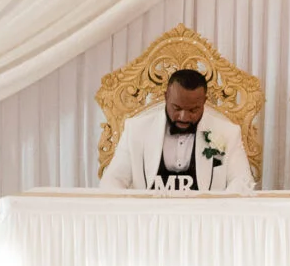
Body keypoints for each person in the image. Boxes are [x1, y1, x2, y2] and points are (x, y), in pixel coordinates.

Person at [100, 69, 254, 192]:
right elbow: (112, 181)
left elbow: (242, 181)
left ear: (204, 102)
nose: (184, 117)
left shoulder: (226, 133)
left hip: (204, 223)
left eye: (193, 110)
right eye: (177, 108)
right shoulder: (137, 130)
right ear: (166, 97)